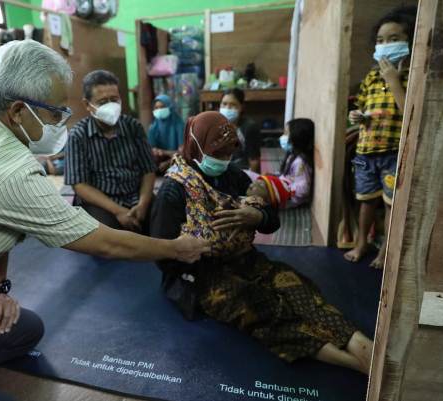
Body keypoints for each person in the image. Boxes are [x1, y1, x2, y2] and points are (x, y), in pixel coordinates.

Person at [0, 40, 209, 401]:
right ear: (17, 111)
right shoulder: (8, 170)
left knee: (26, 329)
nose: (61, 121)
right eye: (55, 113)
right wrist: (177, 248)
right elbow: (105, 241)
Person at [150, 111, 373, 375]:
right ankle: (357, 364)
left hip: (245, 259)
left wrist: (255, 215)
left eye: (229, 153)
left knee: (298, 288)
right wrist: (201, 247)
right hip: (199, 275)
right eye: (218, 153)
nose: (225, 159)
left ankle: (364, 346)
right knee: (261, 306)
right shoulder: (173, 190)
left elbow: (271, 220)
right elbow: (163, 257)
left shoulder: (234, 176)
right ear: (197, 147)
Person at [344, 6, 416, 268]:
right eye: (380, 40)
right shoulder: (372, 76)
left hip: (393, 152)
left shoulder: (413, 74)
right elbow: (362, 106)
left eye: (394, 39)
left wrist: (394, 81)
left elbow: (411, 113)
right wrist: (358, 116)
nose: (385, 45)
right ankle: (362, 242)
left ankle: (384, 250)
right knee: (364, 201)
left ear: (410, 40)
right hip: (366, 151)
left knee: (389, 205)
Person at [64, 70, 157, 232]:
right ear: (88, 105)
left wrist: (143, 204)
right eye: (103, 102)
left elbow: (148, 171)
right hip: (100, 203)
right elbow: (79, 185)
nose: (111, 106)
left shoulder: (133, 127)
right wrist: (118, 211)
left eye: (114, 100)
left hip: (135, 197)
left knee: (163, 219)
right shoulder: (78, 135)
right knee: (109, 235)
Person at [250, 118, 314, 209]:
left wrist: (283, 189)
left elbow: (303, 189)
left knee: (255, 186)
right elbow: (288, 176)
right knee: (249, 176)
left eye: (286, 133)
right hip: (283, 190)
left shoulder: (301, 162)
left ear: (297, 137)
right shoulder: (292, 156)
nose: (282, 136)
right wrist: (274, 177)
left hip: (287, 198)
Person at [219, 88, 261, 174]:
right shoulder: (216, 124)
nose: (227, 108)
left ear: (241, 107)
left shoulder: (249, 128)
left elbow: (254, 160)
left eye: (233, 105)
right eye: (224, 104)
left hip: (241, 174)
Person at [147, 94, 184, 173]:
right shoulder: (154, 127)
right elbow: (149, 148)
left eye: (162, 107)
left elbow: (183, 152)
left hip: (176, 160)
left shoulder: (179, 124)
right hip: (160, 161)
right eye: (156, 108)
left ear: (169, 107)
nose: (159, 110)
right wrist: (155, 151)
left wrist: (167, 162)